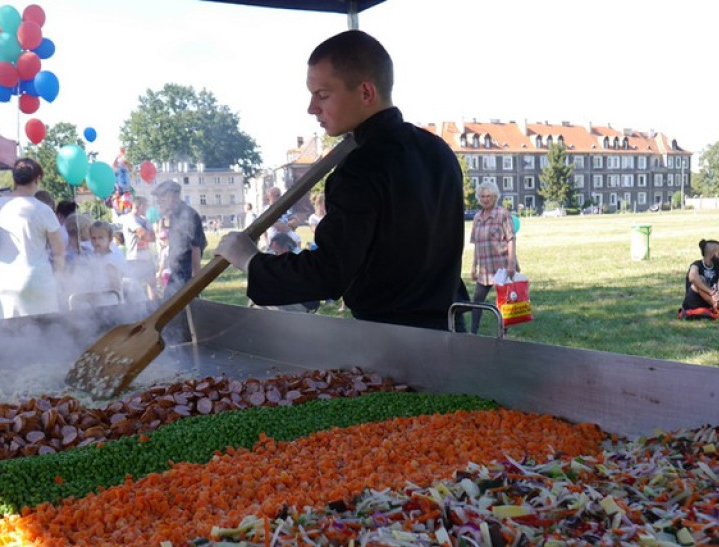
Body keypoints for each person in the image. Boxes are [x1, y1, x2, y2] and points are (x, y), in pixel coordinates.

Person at [214, 29, 464, 330]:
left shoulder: (361, 168)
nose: (311, 108)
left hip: (394, 344)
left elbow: (329, 273)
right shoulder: (437, 149)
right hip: (450, 332)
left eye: (323, 95)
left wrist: (250, 261)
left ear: (366, 93)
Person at [0, 157, 65, 320]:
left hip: (0, 281)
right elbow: (59, 253)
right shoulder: (44, 210)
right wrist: (59, 280)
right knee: (43, 335)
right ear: (37, 179)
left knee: (6, 338)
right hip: (36, 281)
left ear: (15, 179)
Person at [468, 180, 516, 334]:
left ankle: (503, 334)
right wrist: (473, 266)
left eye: (488, 196)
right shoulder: (477, 218)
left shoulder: (503, 214)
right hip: (484, 269)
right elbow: (476, 244)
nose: (485, 199)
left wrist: (511, 263)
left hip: (502, 267)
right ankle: (473, 333)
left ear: (495, 197)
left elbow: (511, 239)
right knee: (477, 301)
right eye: (482, 196)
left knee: (504, 303)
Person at [152, 179, 206, 296]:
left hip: (186, 275)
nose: (159, 200)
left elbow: (196, 248)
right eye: (158, 197)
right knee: (168, 307)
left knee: (174, 308)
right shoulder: (174, 215)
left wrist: (196, 279)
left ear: (174, 195)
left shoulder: (189, 215)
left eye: (162, 196)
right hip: (176, 273)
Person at [120, 196, 158, 300]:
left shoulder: (145, 219)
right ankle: (136, 311)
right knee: (133, 288)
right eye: (146, 206)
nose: (148, 209)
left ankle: (154, 308)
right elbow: (143, 235)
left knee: (152, 285)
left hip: (147, 258)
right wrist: (149, 235)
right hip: (134, 259)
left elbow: (154, 236)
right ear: (141, 206)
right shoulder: (130, 219)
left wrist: (151, 235)